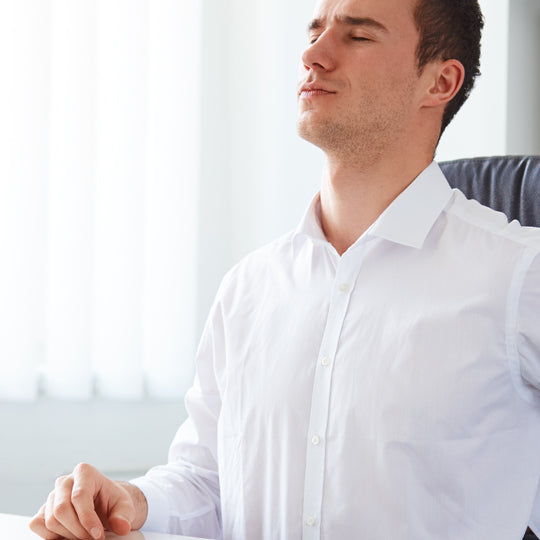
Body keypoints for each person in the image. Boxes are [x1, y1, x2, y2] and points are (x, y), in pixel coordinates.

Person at [30, 0, 540, 538]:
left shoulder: (517, 275)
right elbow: (208, 481)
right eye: (315, 31)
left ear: (439, 82)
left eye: (358, 36)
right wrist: (133, 500)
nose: (313, 55)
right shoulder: (249, 288)